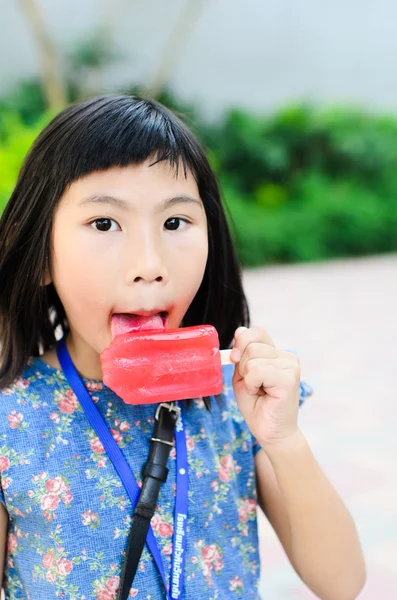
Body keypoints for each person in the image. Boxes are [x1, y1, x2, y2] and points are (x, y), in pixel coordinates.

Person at [0, 95, 365, 600]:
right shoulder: (9, 418)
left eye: (175, 223)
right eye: (104, 223)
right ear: (40, 254)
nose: (149, 262)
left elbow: (342, 582)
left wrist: (284, 441)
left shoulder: (234, 399)